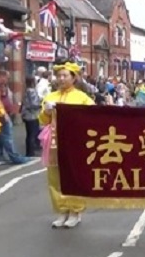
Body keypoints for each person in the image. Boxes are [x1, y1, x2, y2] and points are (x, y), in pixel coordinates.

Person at [38, 62, 94, 228]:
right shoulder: (50, 97)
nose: (61, 79)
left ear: (74, 78)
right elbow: (42, 120)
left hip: (74, 142)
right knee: (55, 178)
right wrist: (46, 111)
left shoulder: (82, 98)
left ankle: (75, 211)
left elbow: (92, 118)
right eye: (59, 76)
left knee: (73, 177)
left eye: (65, 75)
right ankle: (62, 210)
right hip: (54, 143)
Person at [21, 77, 42, 157]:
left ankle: (29, 152)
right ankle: (31, 152)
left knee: (29, 134)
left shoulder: (26, 90)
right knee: (33, 134)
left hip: (27, 115)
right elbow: (34, 104)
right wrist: (41, 104)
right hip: (32, 115)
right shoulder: (32, 91)